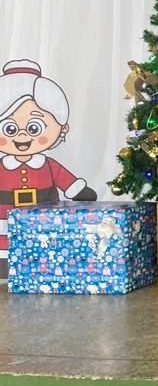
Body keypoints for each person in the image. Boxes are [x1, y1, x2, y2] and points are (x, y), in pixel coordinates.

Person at [0, 60, 97, 280]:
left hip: (45, 217)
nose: (22, 136)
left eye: (34, 127)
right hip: (4, 219)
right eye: (10, 128)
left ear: (61, 127)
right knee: (6, 243)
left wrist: (78, 191)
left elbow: (66, 180)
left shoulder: (49, 165)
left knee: (44, 245)